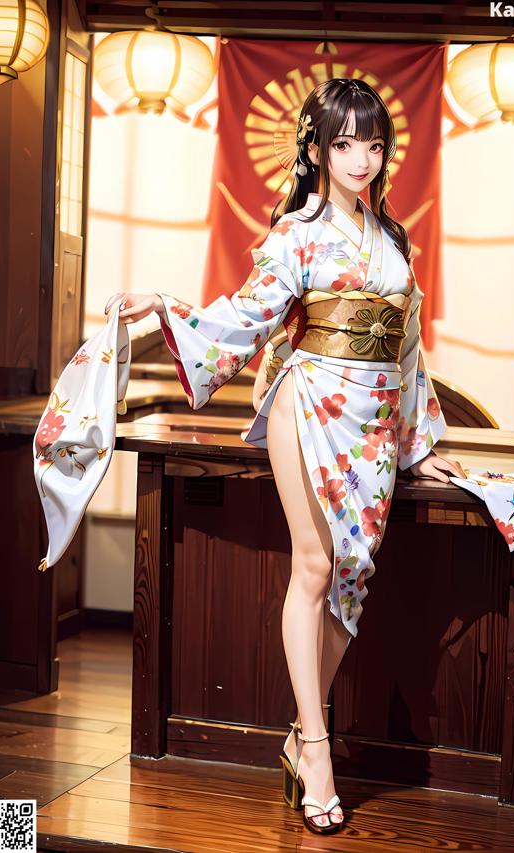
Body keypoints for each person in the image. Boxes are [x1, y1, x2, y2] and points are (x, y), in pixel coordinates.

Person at [105, 77, 466, 835]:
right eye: (344, 143)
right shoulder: (296, 233)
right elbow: (247, 315)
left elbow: (407, 352)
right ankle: (319, 749)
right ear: (317, 149)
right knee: (314, 565)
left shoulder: (393, 240)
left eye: (374, 144)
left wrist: (417, 446)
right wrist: (166, 304)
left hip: (374, 419)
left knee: (351, 573)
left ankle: (301, 736)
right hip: (309, 402)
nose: (361, 159)